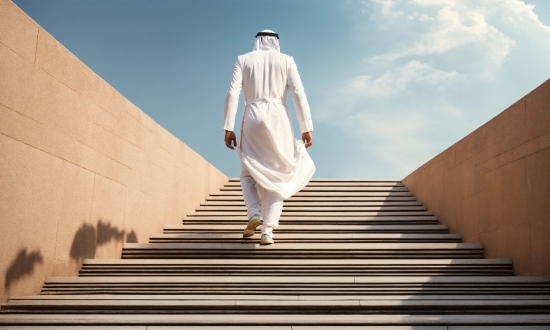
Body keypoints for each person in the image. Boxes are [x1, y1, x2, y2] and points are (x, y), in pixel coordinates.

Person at [223, 30, 315, 245]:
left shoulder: (243, 59)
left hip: (253, 114)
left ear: (257, 40)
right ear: (275, 42)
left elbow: (232, 93)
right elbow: (299, 93)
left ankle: (254, 213)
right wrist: (306, 127)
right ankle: (267, 231)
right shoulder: (287, 60)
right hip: (278, 118)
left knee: (247, 173)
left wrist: (228, 127)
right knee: (277, 175)